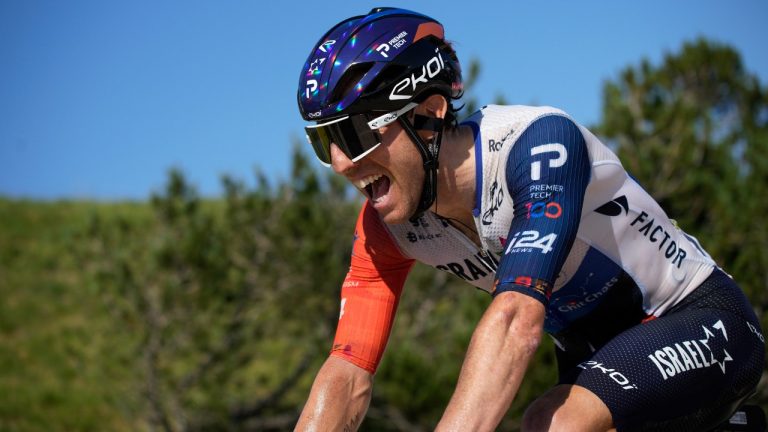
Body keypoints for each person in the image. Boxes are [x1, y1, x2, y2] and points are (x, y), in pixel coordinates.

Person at [294, 7, 765, 431]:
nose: (340, 163)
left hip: (701, 319)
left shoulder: (537, 146)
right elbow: (347, 372)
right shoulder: (386, 229)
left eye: (354, 135)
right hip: (594, 362)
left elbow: (515, 319)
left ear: (428, 113)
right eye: (323, 143)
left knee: (553, 423)